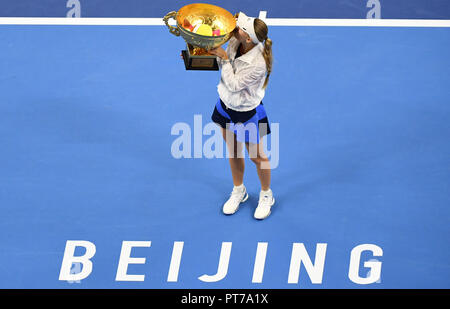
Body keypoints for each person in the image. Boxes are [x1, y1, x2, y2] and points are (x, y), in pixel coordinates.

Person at [208, 12, 274, 220]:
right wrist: (200, 52)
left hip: (248, 113)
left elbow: (234, 84)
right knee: (234, 152)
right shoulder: (237, 41)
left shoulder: (258, 64)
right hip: (225, 106)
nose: (235, 28)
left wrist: (224, 58)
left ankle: (266, 194)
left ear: (248, 38)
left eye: (240, 28)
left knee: (257, 156)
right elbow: (229, 25)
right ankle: (239, 190)